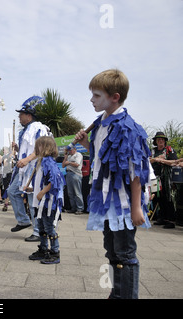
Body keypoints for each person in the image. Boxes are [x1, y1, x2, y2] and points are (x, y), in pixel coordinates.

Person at [75, 69, 151, 299]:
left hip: (125, 203)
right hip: (106, 200)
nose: (92, 100)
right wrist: (86, 144)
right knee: (112, 251)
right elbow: (101, 157)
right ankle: (117, 293)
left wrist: (137, 207)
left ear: (115, 97)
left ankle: (126, 295)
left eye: (97, 95)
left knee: (126, 253)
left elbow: (136, 170)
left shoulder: (128, 127)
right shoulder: (101, 124)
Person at [7, 96, 52, 242]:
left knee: (33, 201)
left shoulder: (39, 128)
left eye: (21, 114)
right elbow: (28, 150)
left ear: (29, 115)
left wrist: (26, 160)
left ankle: (38, 232)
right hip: (23, 171)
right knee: (12, 191)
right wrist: (18, 149)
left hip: (35, 170)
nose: (19, 117)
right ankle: (23, 220)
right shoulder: (26, 130)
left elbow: (42, 148)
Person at [27, 136, 64, 264]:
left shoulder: (48, 162)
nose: (36, 148)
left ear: (46, 147)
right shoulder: (41, 162)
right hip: (40, 202)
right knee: (41, 227)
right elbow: (41, 182)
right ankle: (43, 249)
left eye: (39, 146)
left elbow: (55, 181)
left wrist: (42, 192)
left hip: (47, 203)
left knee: (49, 228)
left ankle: (55, 252)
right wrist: (33, 190)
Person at [149, 132, 178, 228]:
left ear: (165, 141)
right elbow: (147, 160)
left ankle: (171, 220)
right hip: (154, 178)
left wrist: (162, 160)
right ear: (155, 141)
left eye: (162, 139)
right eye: (158, 139)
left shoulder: (169, 150)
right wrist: (156, 158)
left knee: (168, 198)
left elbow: (174, 162)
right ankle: (162, 217)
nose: (160, 141)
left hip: (166, 178)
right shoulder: (152, 151)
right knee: (158, 198)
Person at [62, 145, 84, 214]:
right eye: (69, 150)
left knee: (77, 192)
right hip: (68, 173)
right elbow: (63, 165)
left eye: (71, 150)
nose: (69, 151)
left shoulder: (78, 155)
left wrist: (69, 163)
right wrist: (65, 158)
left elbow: (77, 164)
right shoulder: (68, 156)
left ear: (75, 149)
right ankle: (73, 208)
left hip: (75, 174)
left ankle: (80, 208)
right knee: (70, 193)